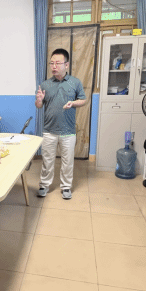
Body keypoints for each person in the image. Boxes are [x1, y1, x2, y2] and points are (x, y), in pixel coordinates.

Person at [35, 48, 87, 200]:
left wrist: (73, 103)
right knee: (47, 161)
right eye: (51, 63)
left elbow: (83, 100)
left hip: (68, 131)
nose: (54, 66)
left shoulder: (75, 82)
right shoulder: (45, 84)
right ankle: (44, 185)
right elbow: (39, 106)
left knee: (67, 162)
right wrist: (39, 100)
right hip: (49, 130)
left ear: (66, 65)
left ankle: (66, 187)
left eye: (58, 63)